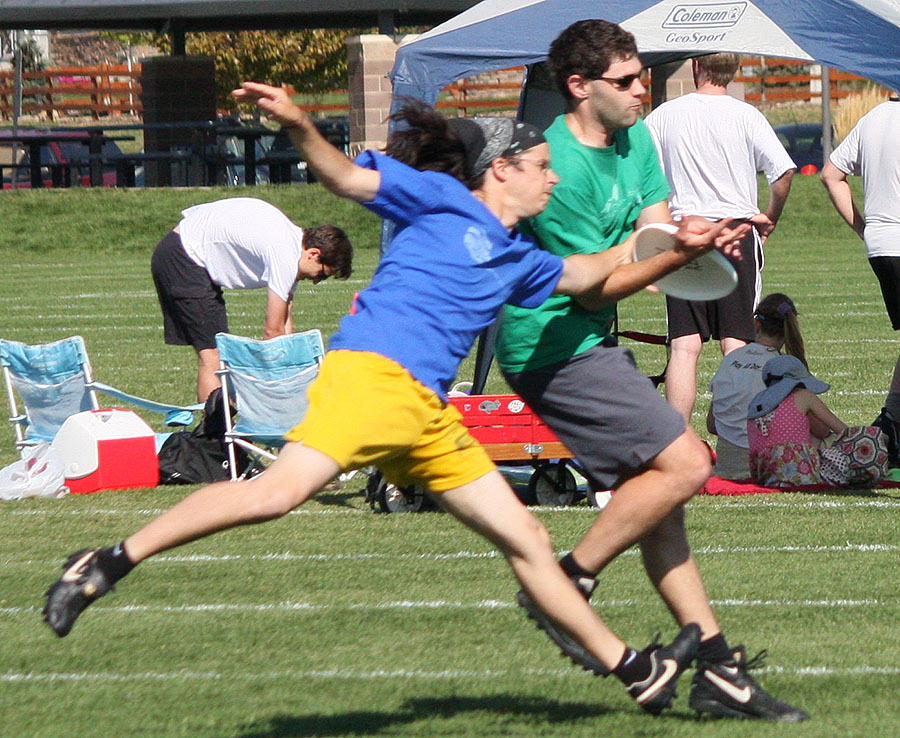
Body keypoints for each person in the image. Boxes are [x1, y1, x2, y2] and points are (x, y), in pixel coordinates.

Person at [42, 85, 748, 715]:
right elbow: (346, 175)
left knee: (529, 538)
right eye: (541, 166)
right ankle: (105, 562)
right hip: (372, 379)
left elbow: (594, 276)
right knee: (276, 494)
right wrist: (298, 124)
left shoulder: (515, 255)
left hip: (428, 415)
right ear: (501, 169)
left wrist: (677, 251)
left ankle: (634, 671)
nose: (552, 176)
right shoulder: (442, 200)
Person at [494, 20, 807, 722]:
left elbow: (654, 231)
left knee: (661, 497)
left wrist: (696, 239)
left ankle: (720, 672)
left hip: (587, 340)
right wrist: (674, 255)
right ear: (579, 87)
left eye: (642, 79)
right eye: (628, 81)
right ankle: (565, 584)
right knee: (688, 464)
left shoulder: (634, 139)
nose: (643, 91)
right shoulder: (559, 167)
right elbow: (599, 285)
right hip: (547, 343)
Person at [644, 53, 795, 423]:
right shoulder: (746, 115)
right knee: (737, 342)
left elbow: (643, 172)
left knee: (683, 345)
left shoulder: (664, 114)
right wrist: (769, 217)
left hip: (684, 234)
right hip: (736, 232)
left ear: (696, 66)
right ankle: (733, 432)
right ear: (735, 70)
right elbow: (784, 172)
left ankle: (676, 440)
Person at [150, 197, 354, 402]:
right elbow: (272, 331)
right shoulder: (284, 252)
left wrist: (286, 363)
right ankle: (214, 432)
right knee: (213, 356)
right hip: (183, 257)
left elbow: (284, 320)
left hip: (192, 256)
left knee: (219, 355)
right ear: (313, 253)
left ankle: (224, 425)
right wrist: (281, 388)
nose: (317, 281)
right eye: (322, 274)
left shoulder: (293, 244)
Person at [821, 95, 900, 465]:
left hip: (882, 244)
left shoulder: (873, 117)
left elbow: (830, 175)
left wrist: (864, 229)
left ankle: (890, 426)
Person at [747, 355, 889, 488]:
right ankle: (866, 477)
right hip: (799, 472)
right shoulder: (803, 396)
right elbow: (845, 433)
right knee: (867, 437)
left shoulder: (756, 404)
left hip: (766, 473)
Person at [707, 293, 806, 479]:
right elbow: (816, 429)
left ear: (757, 324)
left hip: (727, 466)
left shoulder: (731, 359)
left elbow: (712, 425)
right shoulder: (786, 366)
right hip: (767, 468)